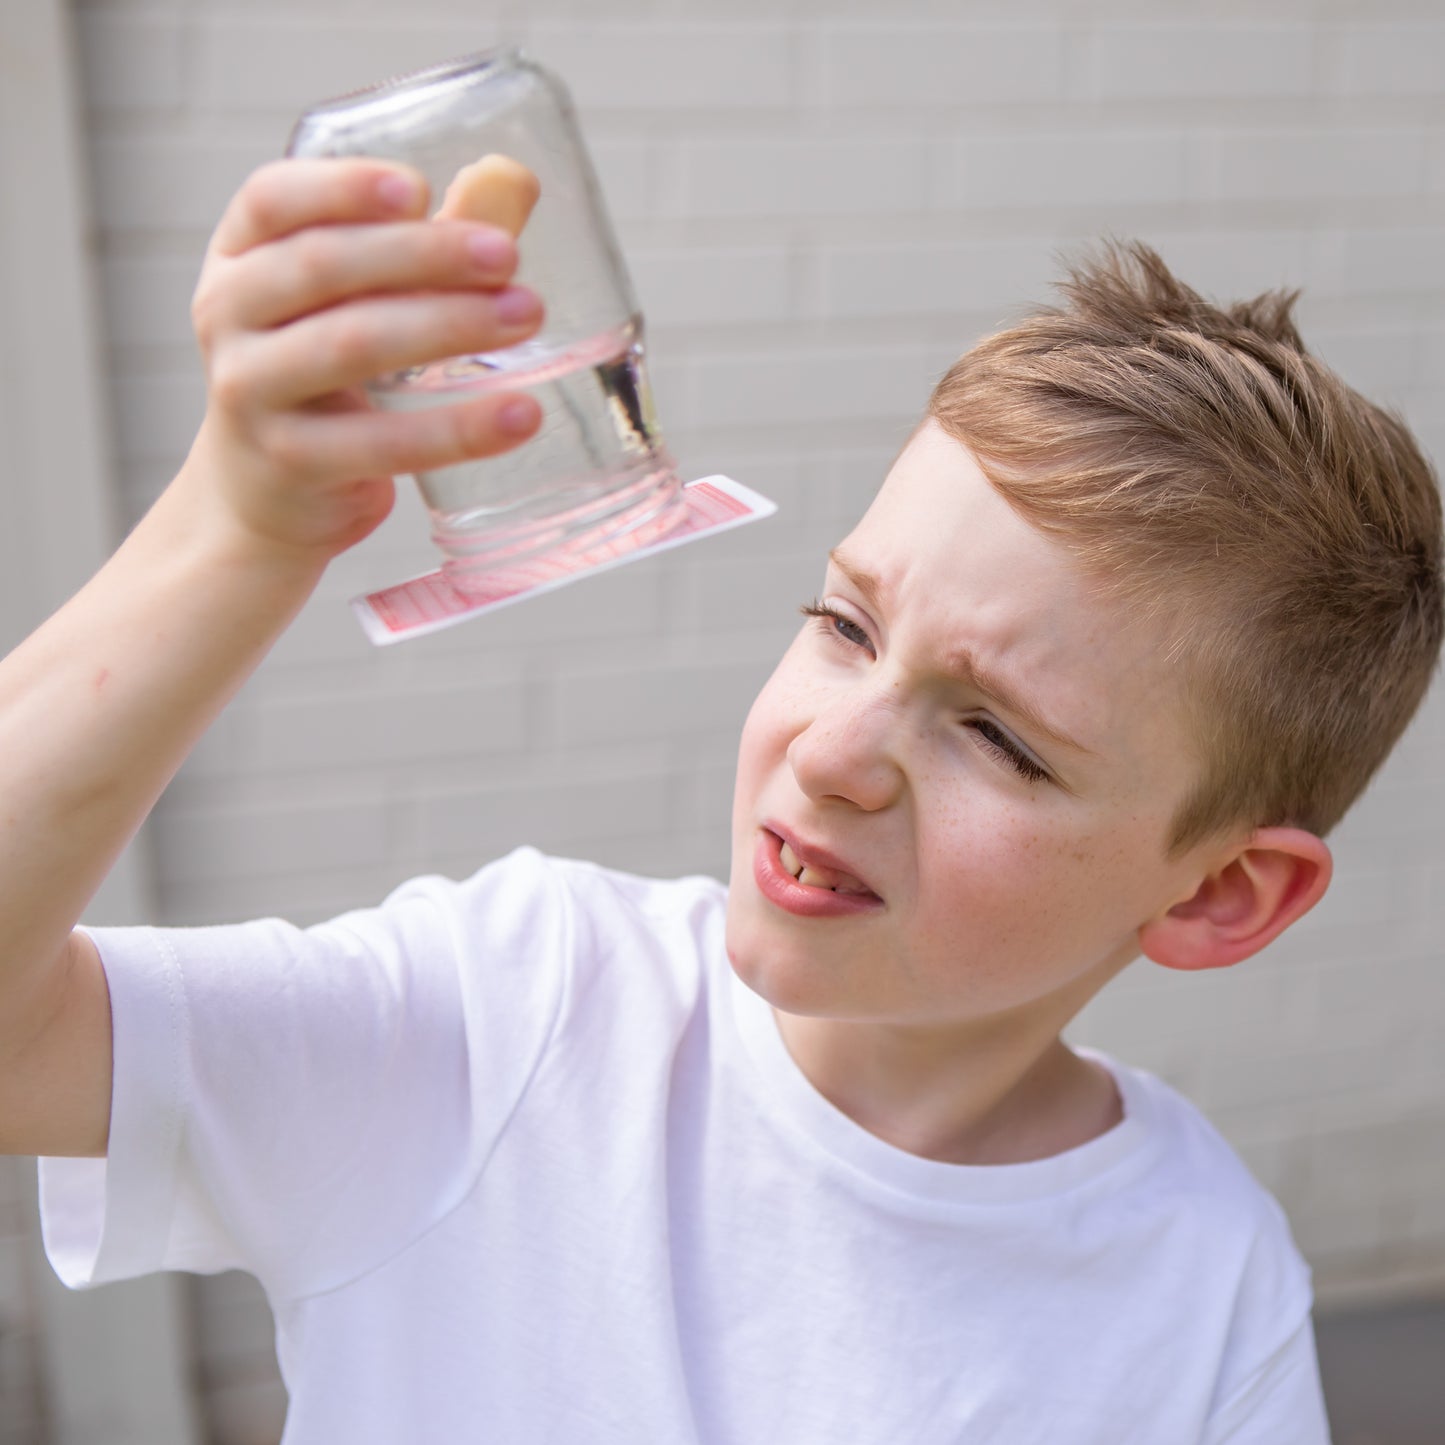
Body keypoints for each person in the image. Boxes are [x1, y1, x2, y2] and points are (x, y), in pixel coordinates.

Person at [0, 156, 1439, 1444]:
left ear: (1213, 893)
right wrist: (235, 531)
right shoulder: (510, 1014)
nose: (830, 753)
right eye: (843, 623)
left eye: (996, 736)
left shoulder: (1199, 1281)